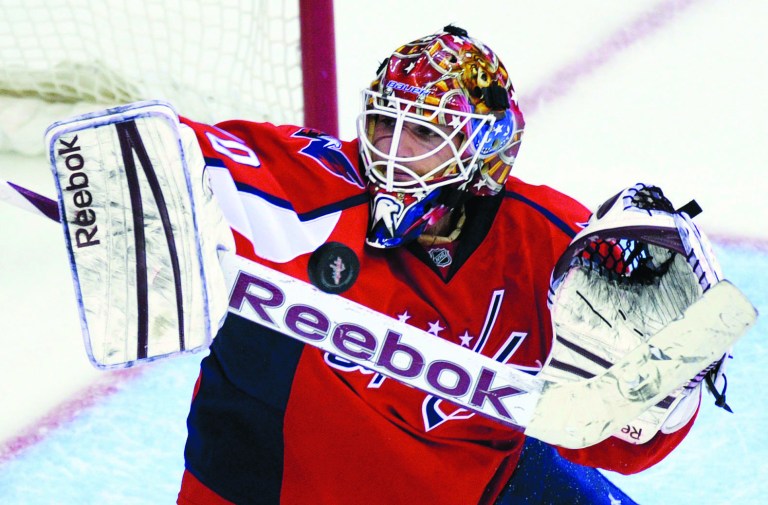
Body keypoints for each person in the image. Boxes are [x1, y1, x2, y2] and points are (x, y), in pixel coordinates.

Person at [175, 25, 701, 505]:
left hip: (474, 485)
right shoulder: (304, 183)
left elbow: (623, 439)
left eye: (425, 134)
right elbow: (163, 154)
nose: (392, 152)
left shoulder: (552, 252)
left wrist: (668, 386)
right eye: (385, 123)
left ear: (484, 150)